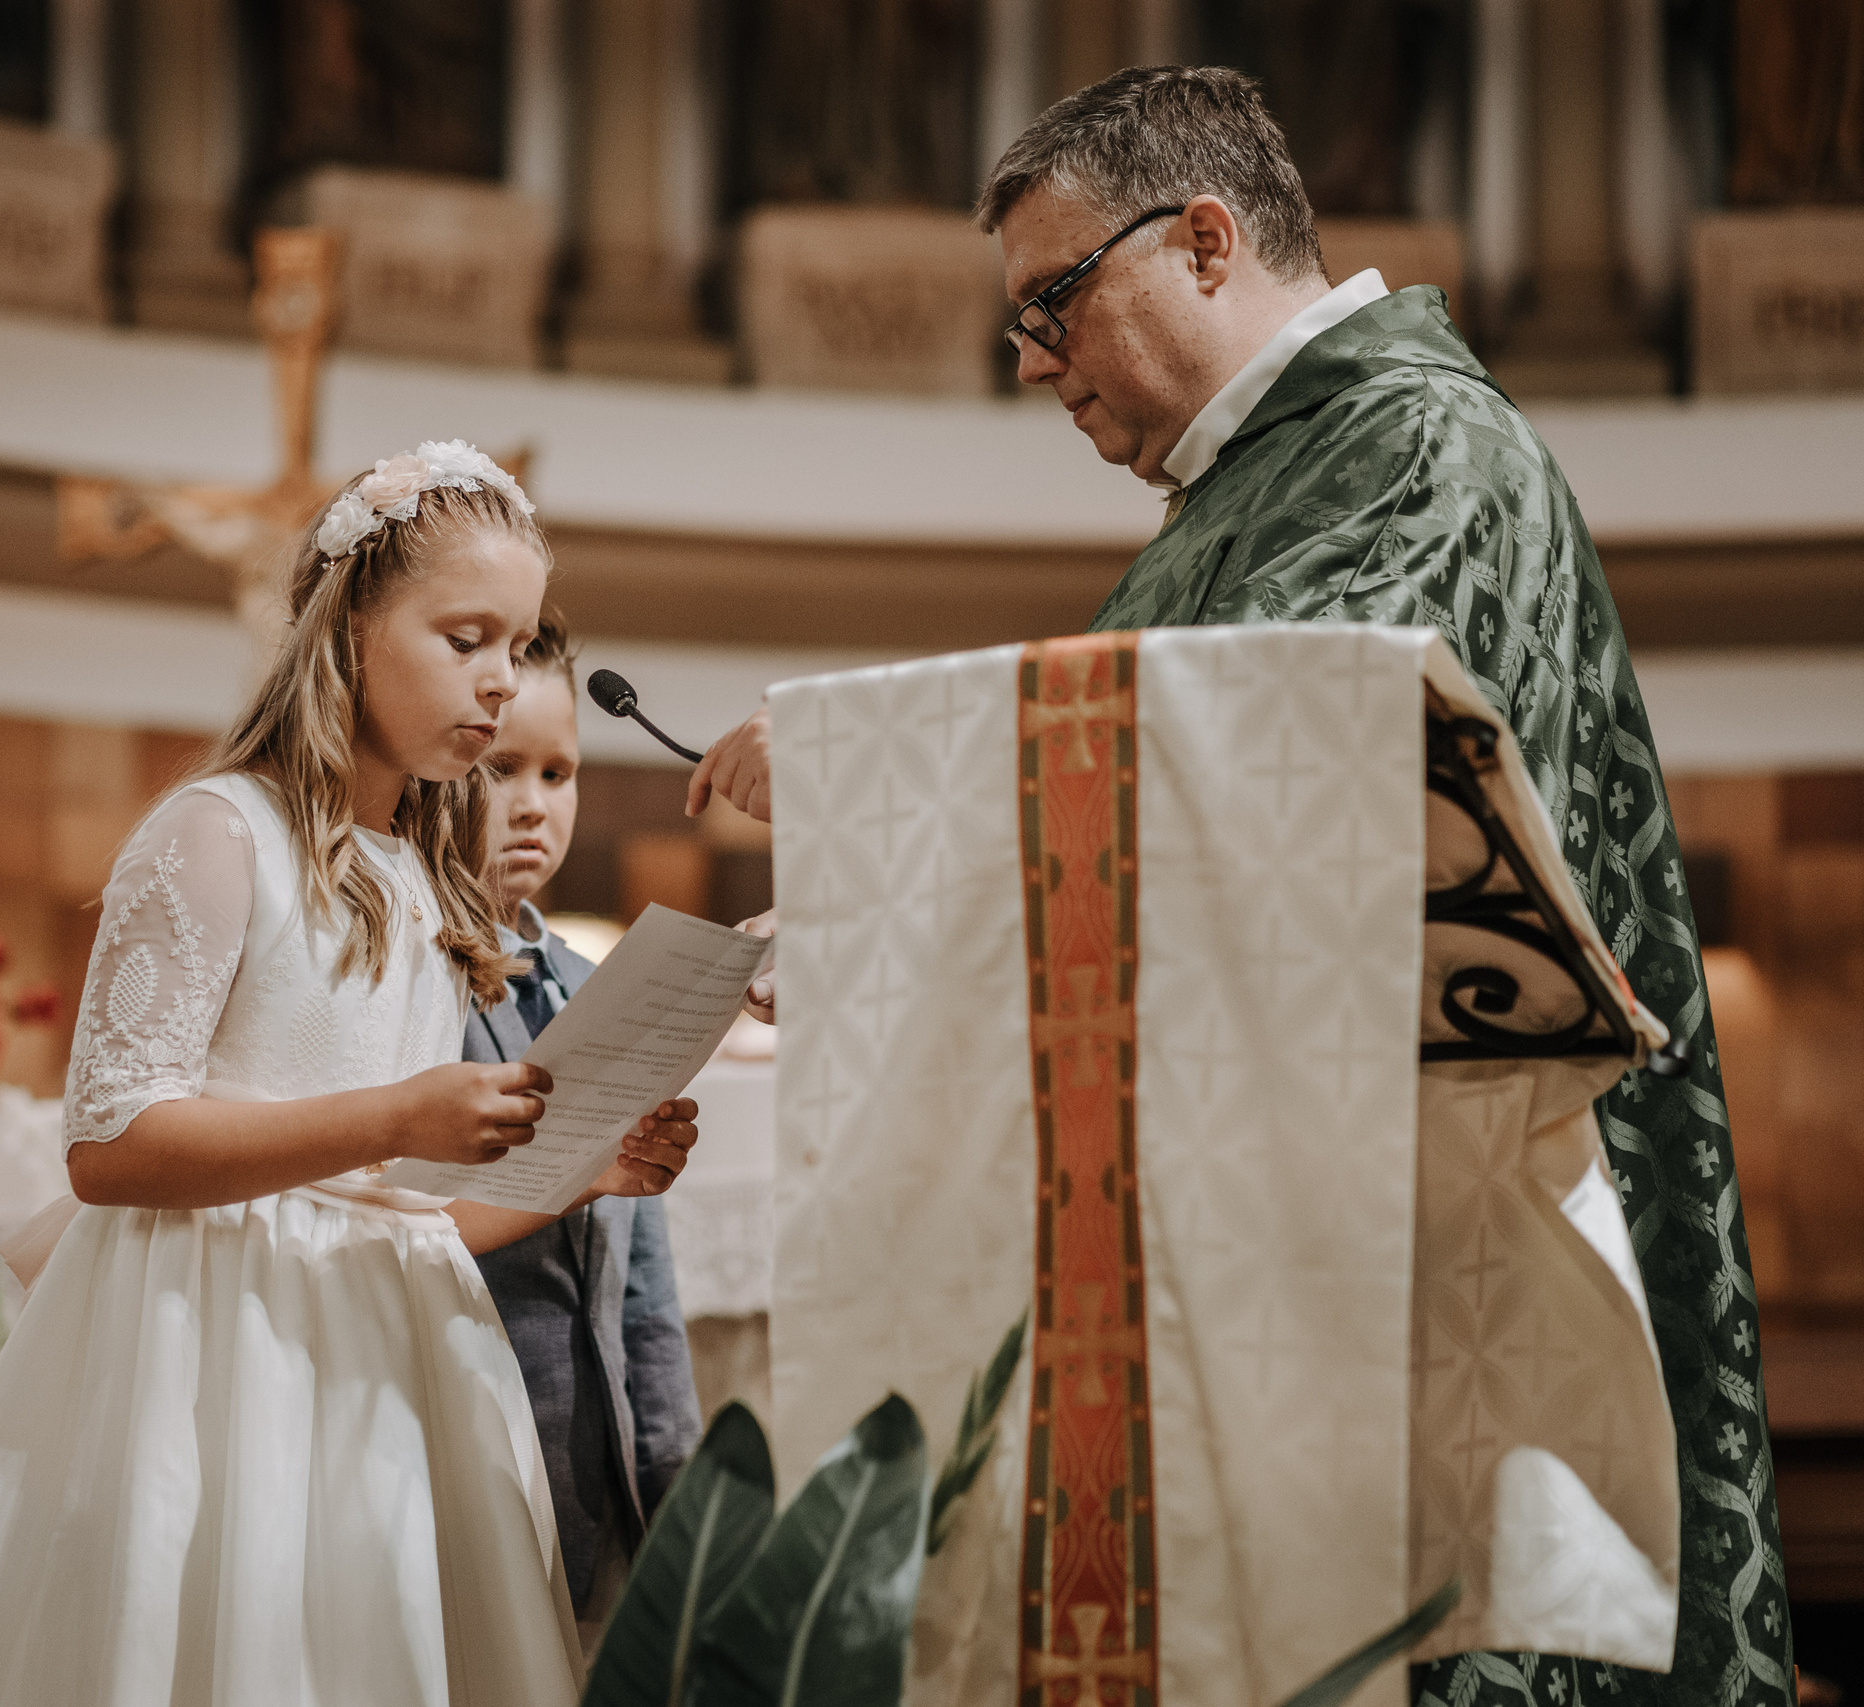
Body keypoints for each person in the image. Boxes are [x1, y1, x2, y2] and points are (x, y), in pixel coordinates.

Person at [688, 67, 1790, 1707]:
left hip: (1405, 1281)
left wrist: (867, 769)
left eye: (1056, 299)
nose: (1030, 357)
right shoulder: (1247, 492)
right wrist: (865, 916)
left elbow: (1301, 766)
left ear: (1205, 239)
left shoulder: (1418, 445)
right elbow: (1156, 844)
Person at [0, 442, 700, 1706]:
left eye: (518, 646)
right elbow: (108, 1148)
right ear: (354, 622)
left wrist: (579, 1176)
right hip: (214, 1340)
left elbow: (400, 1212)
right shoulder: (217, 833)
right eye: (466, 637)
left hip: (389, 1349)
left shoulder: (424, 879)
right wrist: (394, 1114)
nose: (498, 684)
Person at [463, 613, 703, 1656]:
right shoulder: (392, 984)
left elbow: (642, 1279)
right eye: (500, 767)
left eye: (558, 774)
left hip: (595, 1445)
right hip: (471, 1437)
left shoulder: (594, 984)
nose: (532, 805)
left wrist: (674, 1468)